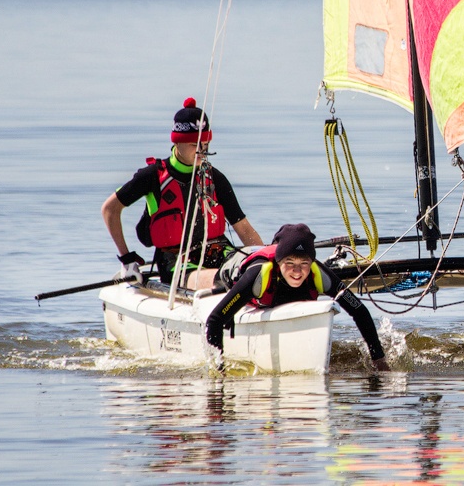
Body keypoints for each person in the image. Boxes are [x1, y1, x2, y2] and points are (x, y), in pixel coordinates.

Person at [101, 97, 263, 286]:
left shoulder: (214, 178)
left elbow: (243, 228)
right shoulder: (152, 177)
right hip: (176, 261)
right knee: (228, 277)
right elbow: (109, 209)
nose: (202, 151)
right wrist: (127, 258)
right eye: (195, 145)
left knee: (256, 269)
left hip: (217, 251)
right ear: (177, 143)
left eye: (205, 145)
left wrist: (263, 258)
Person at [204, 223, 390, 371]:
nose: (297, 271)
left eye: (304, 263)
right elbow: (215, 319)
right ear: (278, 261)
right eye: (289, 262)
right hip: (231, 268)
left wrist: (379, 360)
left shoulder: (320, 275)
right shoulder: (258, 276)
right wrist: (219, 370)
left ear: (311, 262)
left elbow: (360, 311)